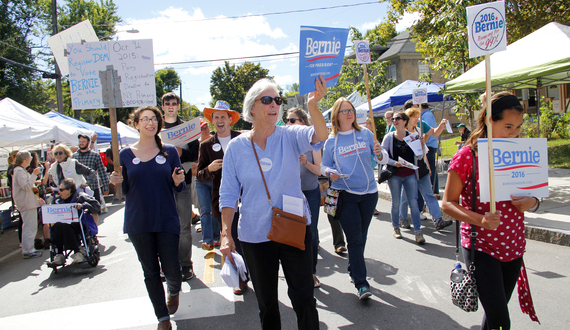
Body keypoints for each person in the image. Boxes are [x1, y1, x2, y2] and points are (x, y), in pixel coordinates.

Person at [219, 77, 328, 329]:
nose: (274, 105)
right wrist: (226, 233)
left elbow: (320, 135)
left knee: (303, 297)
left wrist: (313, 107)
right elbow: (228, 194)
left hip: (293, 227)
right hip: (255, 234)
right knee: (267, 302)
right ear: (252, 108)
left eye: (277, 100)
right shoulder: (236, 148)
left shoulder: (290, 135)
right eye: (266, 100)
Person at [442, 92, 539, 330]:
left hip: (514, 246)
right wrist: (480, 220)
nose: (514, 133)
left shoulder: (521, 152)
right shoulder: (468, 156)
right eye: (507, 126)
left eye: (518, 127)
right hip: (481, 247)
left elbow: (536, 196)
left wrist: (533, 202)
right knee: (500, 320)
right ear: (489, 120)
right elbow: (447, 203)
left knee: (496, 315)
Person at [110, 106, 185, 330]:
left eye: (154, 119)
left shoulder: (169, 151)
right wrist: (116, 182)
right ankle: (162, 318)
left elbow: (178, 186)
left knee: (172, 268)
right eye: (145, 119)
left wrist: (178, 181)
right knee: (150, 271)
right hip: (138, 222)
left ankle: (173, 290)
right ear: (137, 124)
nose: (150, 123)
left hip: (166, 219)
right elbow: (123, 191)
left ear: (158, 124)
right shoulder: (124, 155)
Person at [321, 97, 387, 300]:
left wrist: (380, 153)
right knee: (355, 239)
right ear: (336, 116)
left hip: (369, 193)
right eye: (344, 111)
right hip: (344, 194)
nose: (349, 113)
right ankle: (361, 283)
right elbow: (324, 166)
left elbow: (382, 158)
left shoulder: (365, 134)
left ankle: (353, 268)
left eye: (351, 110)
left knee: (361, 236)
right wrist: (330, 172)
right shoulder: (331, 140)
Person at [197, 100, 246, 294]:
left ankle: (249, 273)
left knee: (247, 238)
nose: (219, 120)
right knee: (228, 237)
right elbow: (200, 175)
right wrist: (209, 169)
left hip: (247, 197)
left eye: (223, 117)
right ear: (212, 121)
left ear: (230, 120)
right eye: (216, 117)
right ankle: (237, 280)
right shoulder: (206, 145)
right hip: (222, 199)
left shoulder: (242, 139)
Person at [161, 92, 199, 281]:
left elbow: (195, 152)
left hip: (184, 182)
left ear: (178, 106)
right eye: (167, 103)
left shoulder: (187, 128)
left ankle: (185, 265)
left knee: (184, 227)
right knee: (163, 227)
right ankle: (167, 265)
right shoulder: (154, 127)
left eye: (173, 103)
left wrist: (180, 152)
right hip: (160, 186)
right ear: (162, 106)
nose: (170, 106)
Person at [286, 107, 324, 288]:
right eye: (287, 120)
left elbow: (319, 170)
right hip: (291, 195)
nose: (289, 124)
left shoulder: (312, 143)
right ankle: (296, 272)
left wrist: (305, 162)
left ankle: (312, 272)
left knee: (311, 234)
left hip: (310, 193)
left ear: (303, 122)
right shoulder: (286, 141)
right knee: (292, 234)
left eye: (293, 120)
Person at [398, 108, 453, 232]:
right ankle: (402, 219)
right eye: (415, 117)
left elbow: (423, 151)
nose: (418, 119)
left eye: (418, 116)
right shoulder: (401, 132)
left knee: (428, 194)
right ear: (408, 118)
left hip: (421, 167)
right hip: (408, 168)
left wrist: (427, 166)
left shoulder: (418, 130)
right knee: (405, 196)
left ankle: (438, 219)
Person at [382, 112, 425, 244]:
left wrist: (421, 145)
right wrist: (394, 163)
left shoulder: (412, 137)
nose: (394, 121)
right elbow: (383, 157)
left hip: (410, 174)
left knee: (413, 202)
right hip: (395, 175)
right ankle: (396, 227)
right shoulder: (389, 137)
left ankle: (418, 232)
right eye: (393, 119)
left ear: (405, 121)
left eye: (398, 118)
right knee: (396, 203)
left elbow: (419, 157)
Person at [50, 178, 100, 265]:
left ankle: (77, 252)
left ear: (69, 190)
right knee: (58, 225)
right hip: (61, 226)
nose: (59, 192)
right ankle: (59, 254)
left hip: (79, 225)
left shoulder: (80, 196)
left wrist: (83, 205)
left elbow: (96, 205)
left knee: (66, 225)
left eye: (61, 190)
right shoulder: (57, 201)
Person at [10, 151, 45, 258]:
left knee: (30, 227)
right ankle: (28, 250)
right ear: (25, 159)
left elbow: (28, 188)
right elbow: (26, 187)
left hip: (28, 203)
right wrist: (34, 175)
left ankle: (29, 249)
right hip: (26, 204)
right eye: (30, 157)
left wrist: (36, 199)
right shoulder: (19, 171)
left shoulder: (20, 171)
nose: (31, 159)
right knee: (29, 227)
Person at [73, 134, 110, 226]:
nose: (81, 144)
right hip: (78, 189)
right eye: (80, 142)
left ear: (88, 142)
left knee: (94, 210)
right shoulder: (74, 157)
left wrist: (106, 187)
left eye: (83, 142)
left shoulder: (95, 155)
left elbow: (102, 172)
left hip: (93, 188)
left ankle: (94, 230)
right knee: (80, 211)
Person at [420, 103, 440, 196]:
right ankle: (433, 190)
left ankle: (434, 191)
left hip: (429, 145)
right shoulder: (426, 114)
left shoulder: (426, 115)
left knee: (430, 168)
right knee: (430, 168)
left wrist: (422, 143)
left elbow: (427, 131)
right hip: (429, 144)